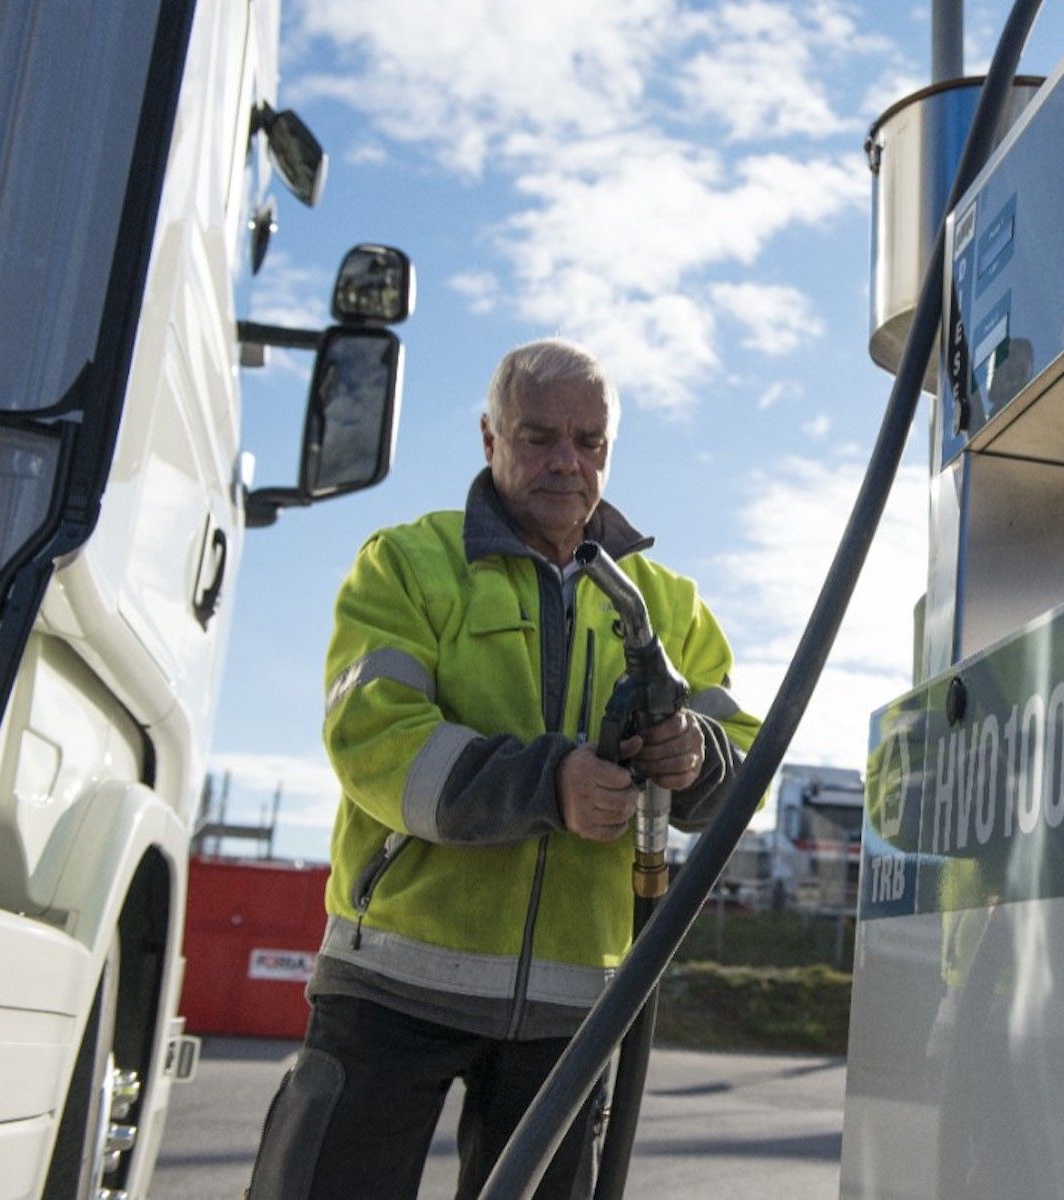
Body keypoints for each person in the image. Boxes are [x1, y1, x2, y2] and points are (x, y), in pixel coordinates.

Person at [249, 338, 759, 1199]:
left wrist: (697, 759)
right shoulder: (409, 564)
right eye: (539, 437)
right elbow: (374, 738)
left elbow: (741, 766)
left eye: (588, 441)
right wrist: (548, 785)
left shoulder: (669, 605)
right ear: (490, 439)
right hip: (394, 985)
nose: (567, 461)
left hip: (572, 1007)